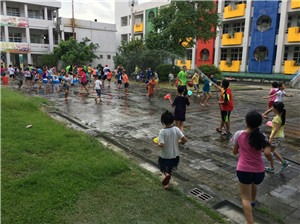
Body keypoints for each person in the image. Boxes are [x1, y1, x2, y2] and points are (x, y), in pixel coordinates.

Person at [231, 110, 271, 224]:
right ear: (259, 123)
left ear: (246, 121)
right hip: (259, 172)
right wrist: (270, 159)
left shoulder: (239, 134)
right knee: (254, 184)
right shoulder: (262, 136)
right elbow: (268, 153)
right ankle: (253, 201)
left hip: (243, 170)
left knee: (244, 198)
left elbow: (234, 152)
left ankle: (250, 222)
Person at [155, 110, 187, 190]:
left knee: (162, 167)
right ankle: (167, 184)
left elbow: (162, 145)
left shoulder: (162, 132)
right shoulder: (176, 129)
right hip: (175, 156)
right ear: (172, 120)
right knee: (170, 169)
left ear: (163, 121)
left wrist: (157, 143)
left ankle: (166, 175)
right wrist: (178, 142)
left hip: (165, 156)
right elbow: (185, 140)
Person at [264, 102, 289, 173]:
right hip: (279, 136)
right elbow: (277, 126)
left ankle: (272, 167)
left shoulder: (276, 118)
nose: (272, 109)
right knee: (272, 151)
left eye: (273, 108)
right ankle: (283, 163)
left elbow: (275, 129)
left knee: (268, 152)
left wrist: (271, 138)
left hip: (276, 137)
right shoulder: (281, 115)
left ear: (275, 109)